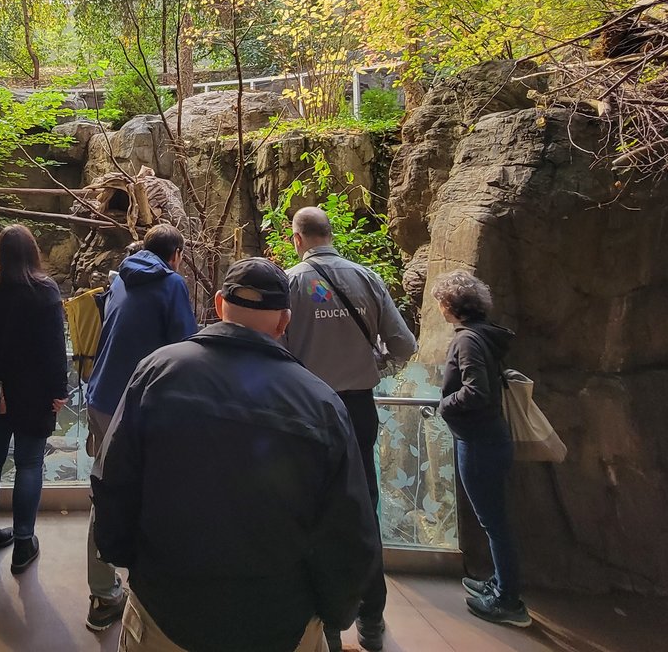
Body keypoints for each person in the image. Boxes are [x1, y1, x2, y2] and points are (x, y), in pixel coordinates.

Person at [92, 258, 380, 652]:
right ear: (284, 322)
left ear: (218, 304)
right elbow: (350, 527)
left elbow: (112, 481)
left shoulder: (157, 372)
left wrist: (137, 569)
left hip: (166, 609)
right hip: (279, 620)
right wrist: (331, 612)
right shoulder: (321, 404)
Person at [283, 206, 416, 652]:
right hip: (358, 411)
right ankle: (372, 620)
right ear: (330, 234)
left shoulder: (292, 282)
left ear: (298, 238)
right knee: (362, 508)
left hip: (307, 410)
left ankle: (329, 627)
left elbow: (275, 348)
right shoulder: (368, 278)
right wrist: (376, 360)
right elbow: (405, 344)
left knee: (312, 512)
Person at [82, 223, 196, 632]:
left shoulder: (121, 279)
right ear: (177, 254)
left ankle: (102, 594)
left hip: (100, 398)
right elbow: (185, 345)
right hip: (137, 405)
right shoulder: (171, 284)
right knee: (154, 495)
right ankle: (150, 596)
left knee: (105, 491)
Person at [431, 269, 531, 629]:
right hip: (487, 438)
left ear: (449, 304)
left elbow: (478, 391)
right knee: (495, 521)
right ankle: (500, 583)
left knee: (495, 523)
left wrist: (443, 405)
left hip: (480, 442)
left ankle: (508, 601)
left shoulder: (468, 341)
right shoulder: (484, 335)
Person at [0, 225, 70, 573]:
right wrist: (60, 391)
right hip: (33, 388)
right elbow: (55, 346)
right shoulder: (45, 290)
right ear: (33, 251)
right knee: (29, 464)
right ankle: (23, 543)